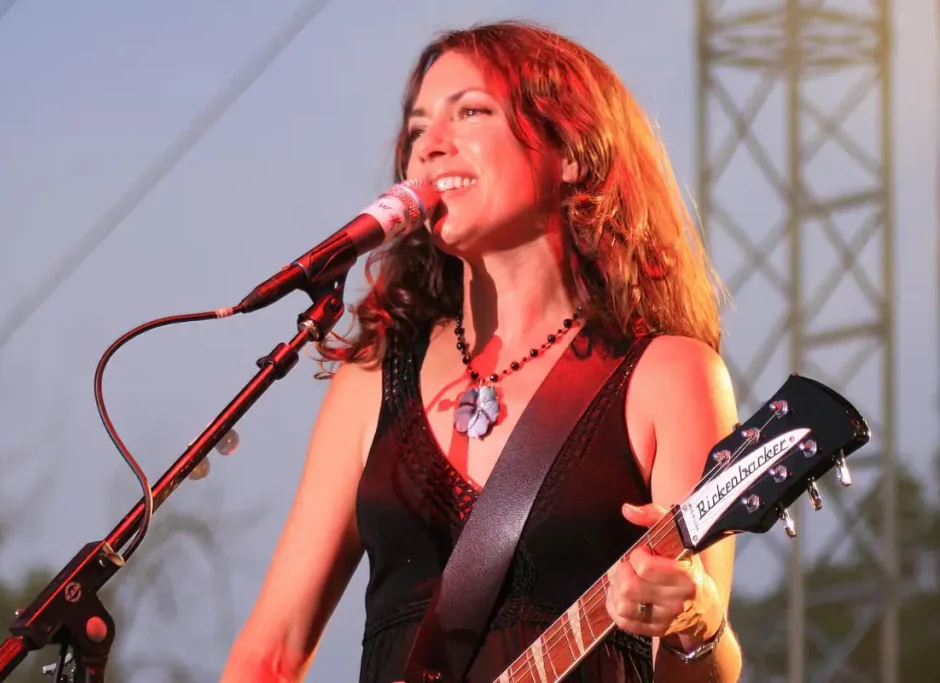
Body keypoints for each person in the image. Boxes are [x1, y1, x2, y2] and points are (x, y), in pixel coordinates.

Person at [220, 19, 743, 683]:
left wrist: (697, 622)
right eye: (416, 131)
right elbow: (270, 652)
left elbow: (704, 670)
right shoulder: (374, 376)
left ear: (572, 150)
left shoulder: (668, 375)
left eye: (470, 112)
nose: (429, 147)